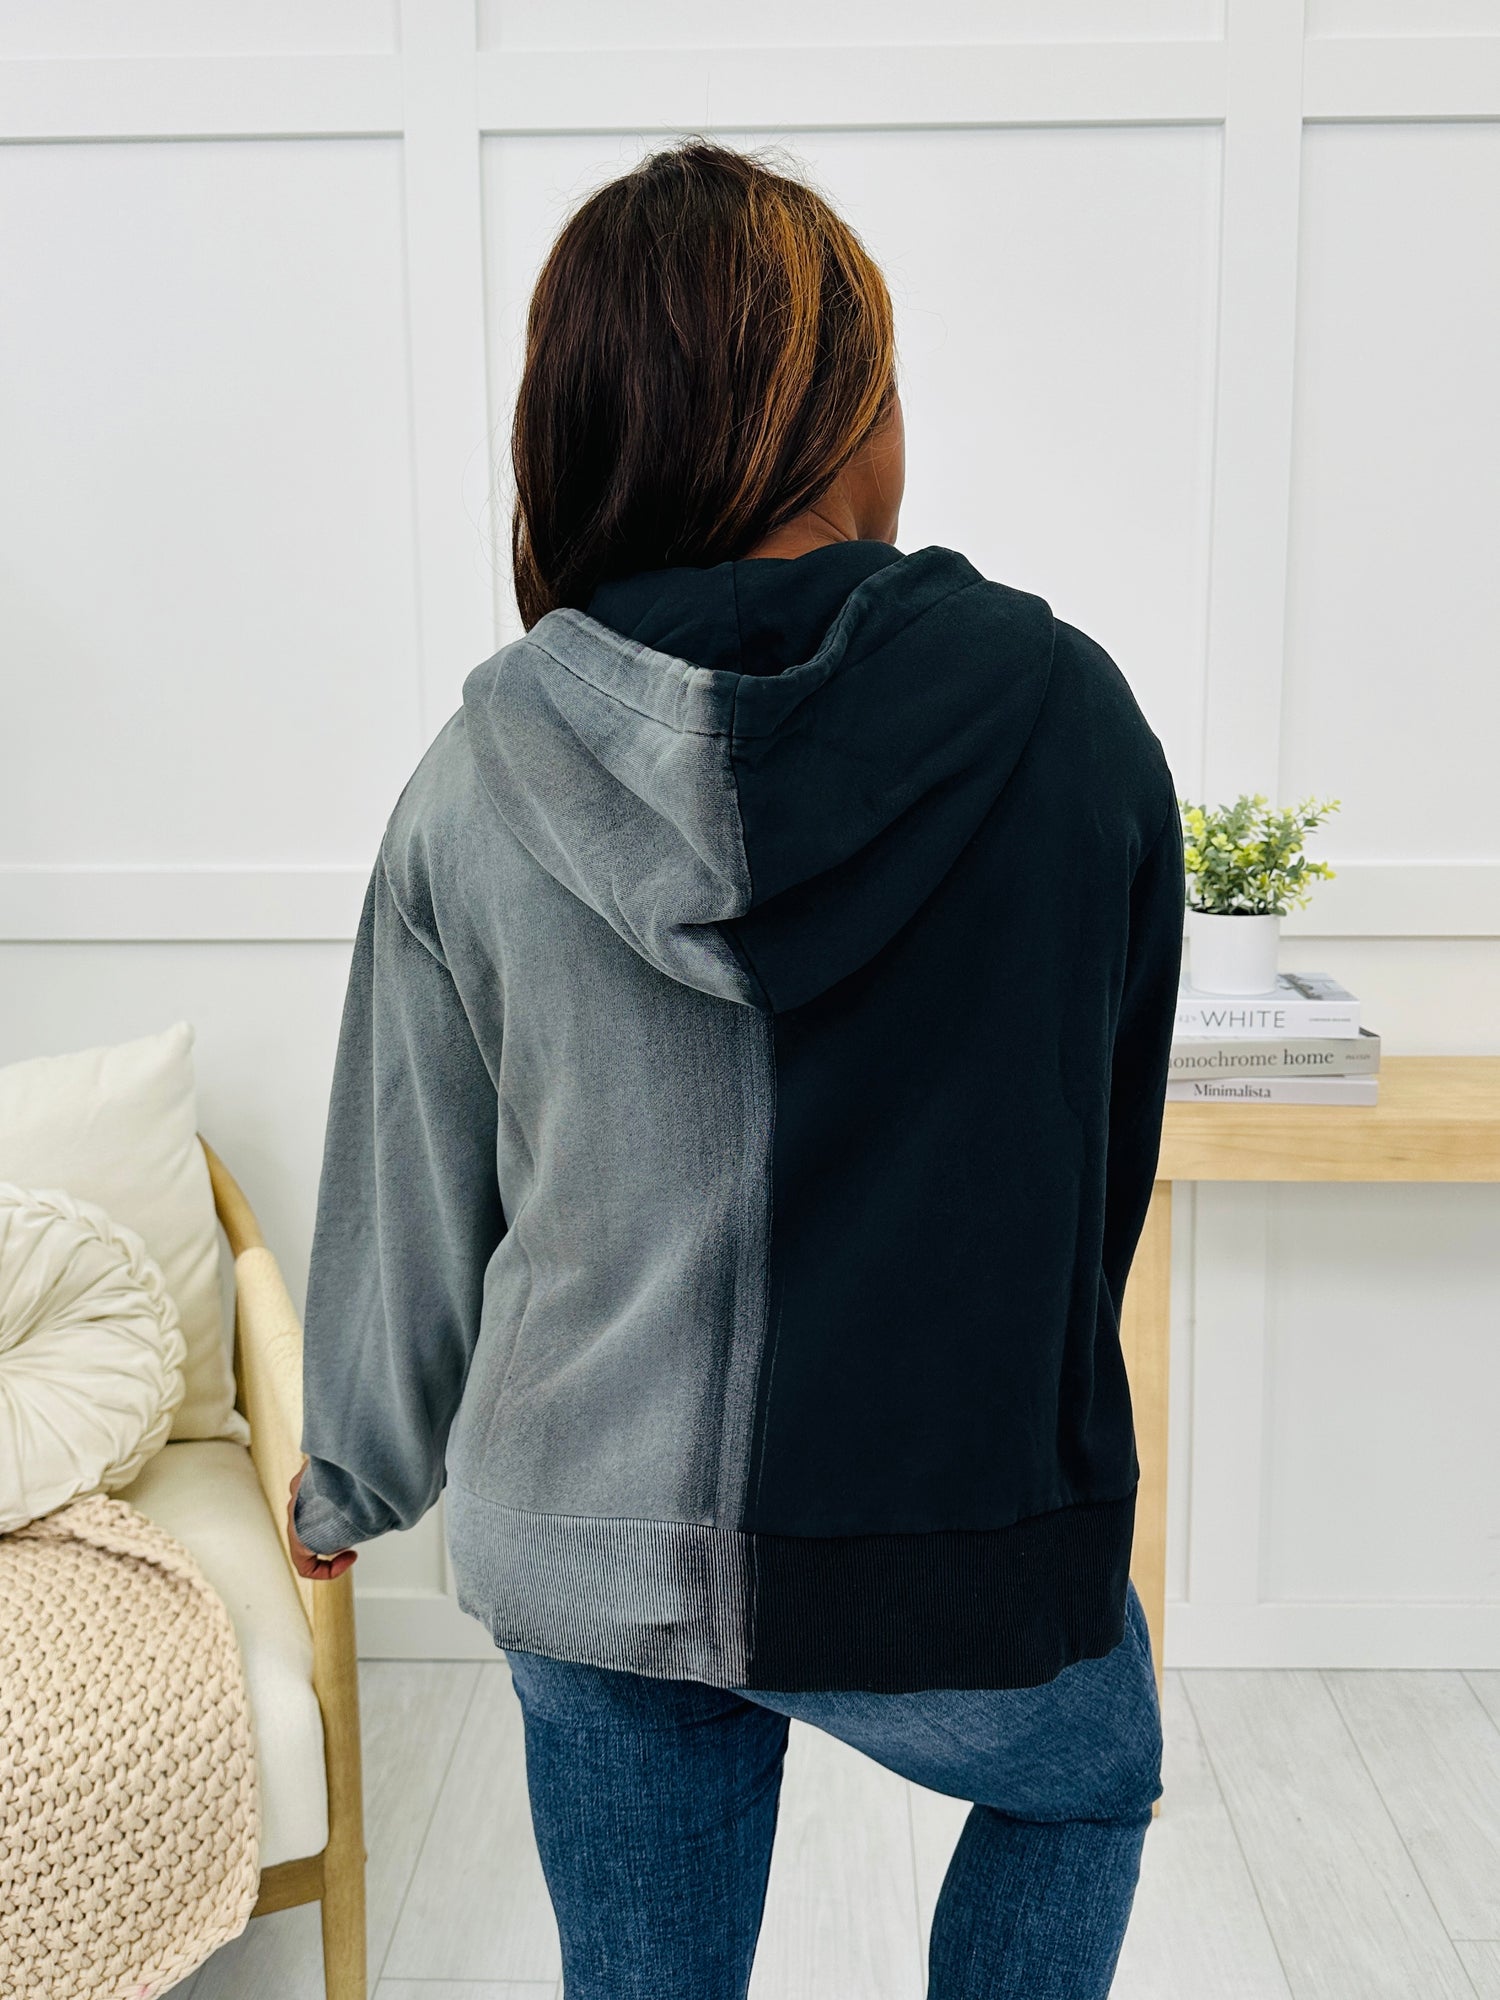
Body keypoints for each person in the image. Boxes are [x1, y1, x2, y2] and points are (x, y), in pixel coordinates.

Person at [286, 138, 1183, 1999]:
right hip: (950, 1524)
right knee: (1091, 1775)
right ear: (841, 421)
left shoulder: (475, 775)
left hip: (586, 1529)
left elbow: (413, 1186)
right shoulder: (1070, 723)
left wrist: (349, 1479)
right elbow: (1094, 1159)